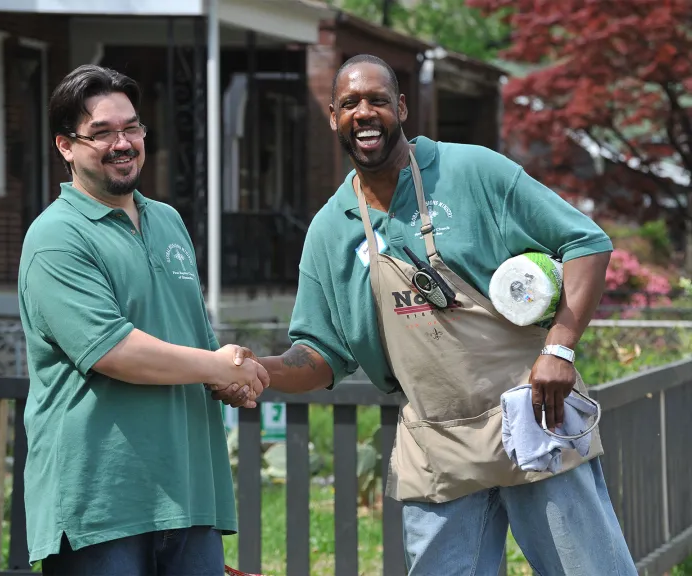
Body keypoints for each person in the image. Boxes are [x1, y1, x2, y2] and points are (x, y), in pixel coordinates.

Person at [212, 54, 636, 575]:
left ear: (402, 107)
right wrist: (259, 368)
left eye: (377, 100)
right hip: (437, 441)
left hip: (532, 415)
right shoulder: (330, 229)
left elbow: (587, 243)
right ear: (332, 117)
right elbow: (321, 355)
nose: (364, 113)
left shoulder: (472, 172)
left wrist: (559, 347)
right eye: (349, 104)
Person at [18, 64, 268, 576]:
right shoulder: (56, 237)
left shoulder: (168, 221)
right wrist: (216, 367)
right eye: (102, 132)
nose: (123, 143)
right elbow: (114, 351)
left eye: (132, 128)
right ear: (65, 146)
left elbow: (194, 338)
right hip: (102, 503)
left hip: (188, 489)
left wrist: (230, 381)